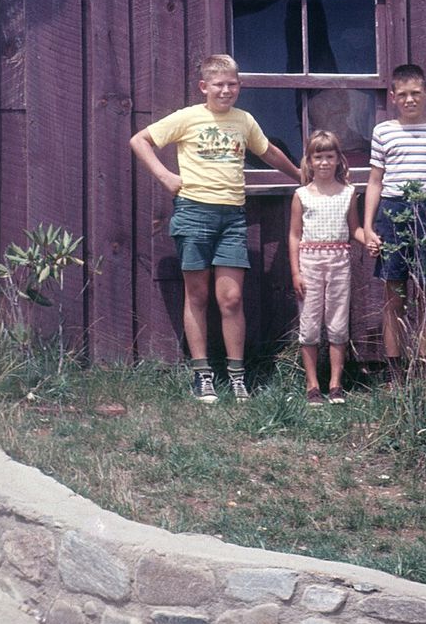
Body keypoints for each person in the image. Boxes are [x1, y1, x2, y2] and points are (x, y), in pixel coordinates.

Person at [129, 54, 301, 402]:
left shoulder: (244, 120)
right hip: (193, 213)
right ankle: (202, 375)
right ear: (204, 87)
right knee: (198, 295)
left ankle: (237, 378)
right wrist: (165, 176)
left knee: (231, 298)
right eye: (219, 85)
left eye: (232, 84)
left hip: (232, 217)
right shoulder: (188, 117)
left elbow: (267, 152)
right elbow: (140, 140)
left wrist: (301, 177)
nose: (226, 90)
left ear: (239, 85)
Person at [363, 64, 426, 381]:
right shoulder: (383, 132)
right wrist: (369, 228)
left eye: (415, 93)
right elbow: (375, 182)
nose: (409, 100)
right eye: (402, 94)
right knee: (394, 294)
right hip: (392, 212)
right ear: (392, 97)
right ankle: (394, 371)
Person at [288, 131, 364, 406]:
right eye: (317, 157)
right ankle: (312, 385)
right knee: (309, 324)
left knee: (337, 322)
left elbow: (354, 228)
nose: (323, 162)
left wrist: (371, 240)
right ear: (309, 161)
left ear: (338, 159)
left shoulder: (348, 193)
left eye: (329, 156)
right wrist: (296, 271)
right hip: (309, 263)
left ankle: (335, 384)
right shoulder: (301, 195)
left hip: (339, 262)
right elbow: (295, 235)